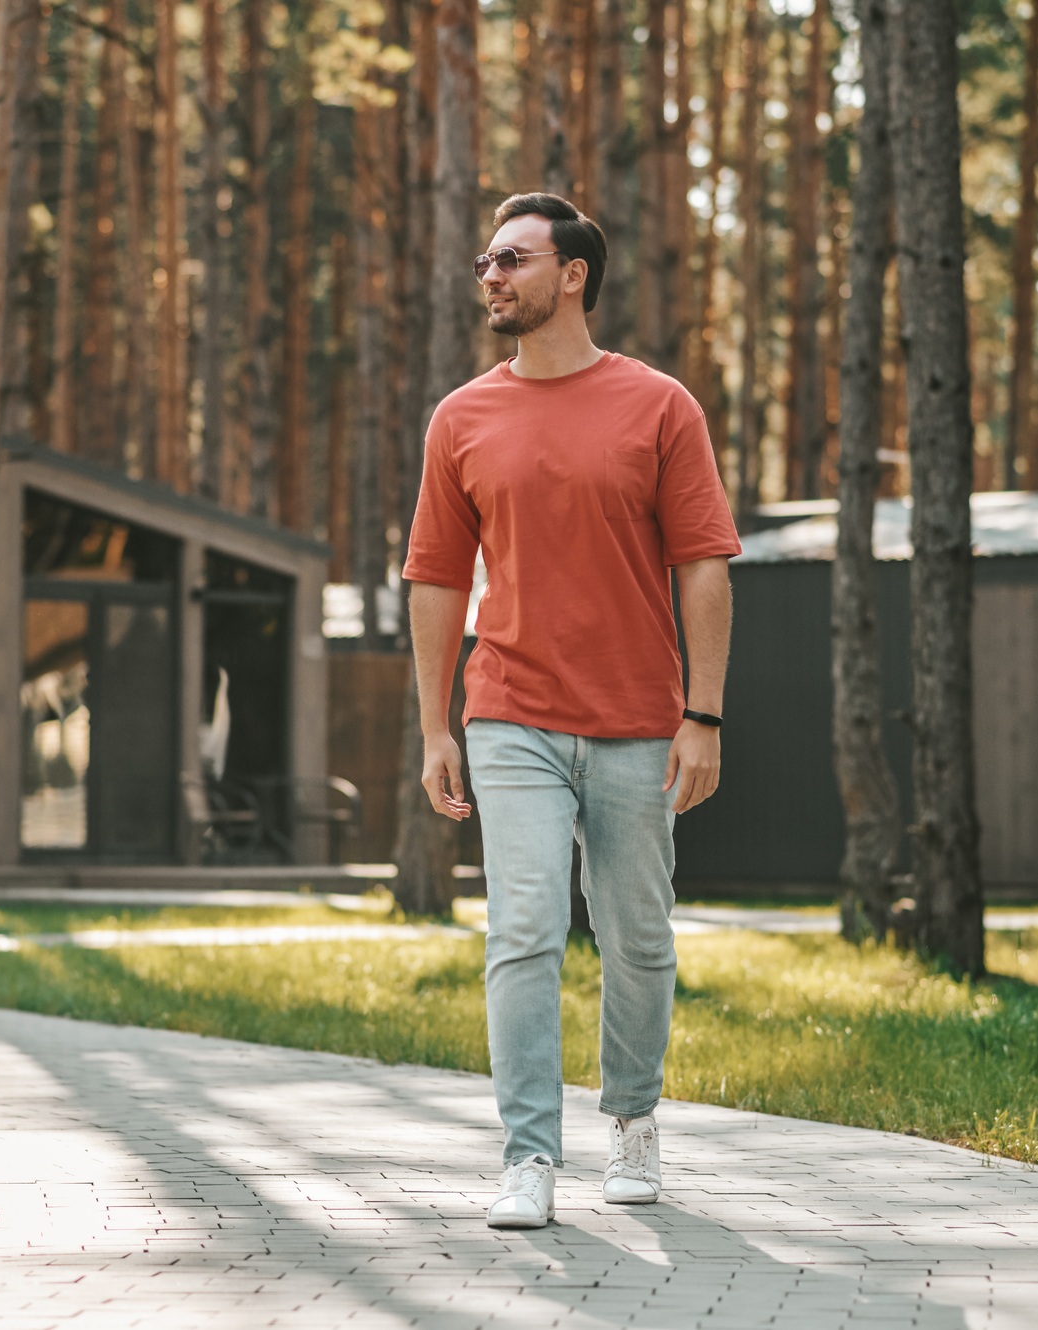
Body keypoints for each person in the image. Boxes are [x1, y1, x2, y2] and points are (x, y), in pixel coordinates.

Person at [402, 192, 739, 1229]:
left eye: (510, 259)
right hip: (510, 713)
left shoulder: (657, 406)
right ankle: (527, 1155)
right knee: (523, 929)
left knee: (637, 935)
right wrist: (433, 725)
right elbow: (432, 578)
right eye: (482, 264)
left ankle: (632, 1122)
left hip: (640, 718)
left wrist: (703, 714)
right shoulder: (460, 417)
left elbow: (704, 568)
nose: (490, 277)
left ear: (572, 274)